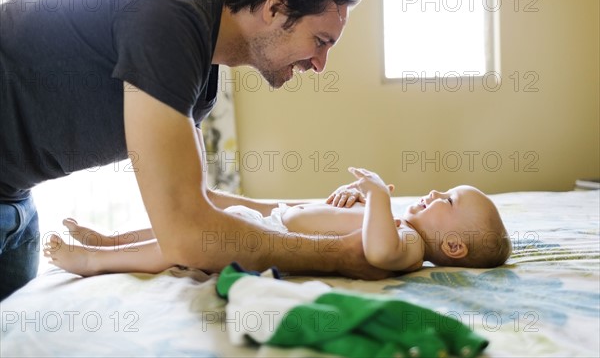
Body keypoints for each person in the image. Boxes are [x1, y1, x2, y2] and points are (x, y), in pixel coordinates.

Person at [0, 0, 380, 300]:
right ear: (275, 8)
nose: (320, 65)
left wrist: (309, 212)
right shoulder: (167, 23)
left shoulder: (201, 75)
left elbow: (201, 202)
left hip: (14, 199)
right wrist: (341, 255)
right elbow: (188, 232)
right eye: (320, 41)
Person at [43, 167, 512, 276]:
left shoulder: (409, 244)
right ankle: (110, 238)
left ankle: (96, 259)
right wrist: (356, 202)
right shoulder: (400, 223)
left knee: (183, 242)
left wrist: (372, 196)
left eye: (446, 199)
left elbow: (381, 251)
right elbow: (356, 227)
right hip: (272, 219)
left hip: (268, 236)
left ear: (452, 247)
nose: (433, 193)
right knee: (182, 223)